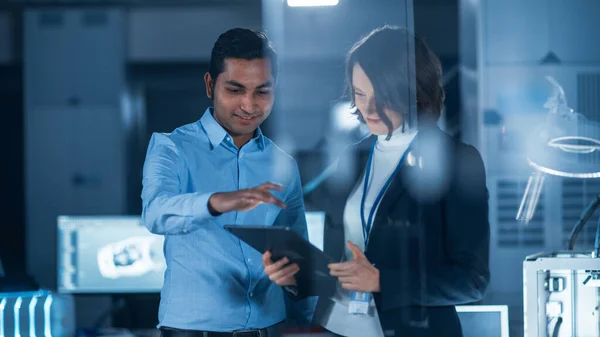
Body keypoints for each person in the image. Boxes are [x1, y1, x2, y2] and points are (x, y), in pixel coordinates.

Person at [263, 25, 490, 337]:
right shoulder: (353, 159)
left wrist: (382, 281)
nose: (366, 108)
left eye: (380, 96)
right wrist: (297, 279)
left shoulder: (454, 160)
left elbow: (472, 282)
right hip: (339, 328)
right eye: (359, 94)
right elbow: (342, 264)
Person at [142, 28, 314, 337]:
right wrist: (216, 202)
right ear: (210, 85)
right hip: (192, 333)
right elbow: (155, 213)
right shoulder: (171, 147)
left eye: (262, 91)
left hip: (270, 329)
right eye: (235, 90)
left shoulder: (283, 164)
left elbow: (297, 258)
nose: (249, 106)